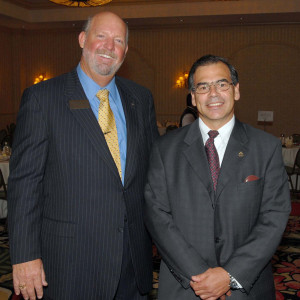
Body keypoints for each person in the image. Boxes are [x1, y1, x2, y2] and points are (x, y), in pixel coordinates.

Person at [8, 11, 158, 300]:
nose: (108, 46)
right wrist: (25, 256)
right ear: (82, 39)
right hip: (70, 263)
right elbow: (25, 185)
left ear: (125, 51)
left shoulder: (140, 98)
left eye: (118, 40)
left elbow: (153, 174)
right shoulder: (43, 98)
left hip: (132, 260)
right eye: (101, 36)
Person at [144, 54, 291, 299]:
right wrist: (199, 273)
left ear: (236, 91)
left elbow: (274, 216)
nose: (213, 93)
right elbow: (157, 215)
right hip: (186, 287)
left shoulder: (266, 147)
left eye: (222, 84)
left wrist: (229, 275)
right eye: (203, 87)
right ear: (193, 97)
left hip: (246, 287)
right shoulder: (164, 149)